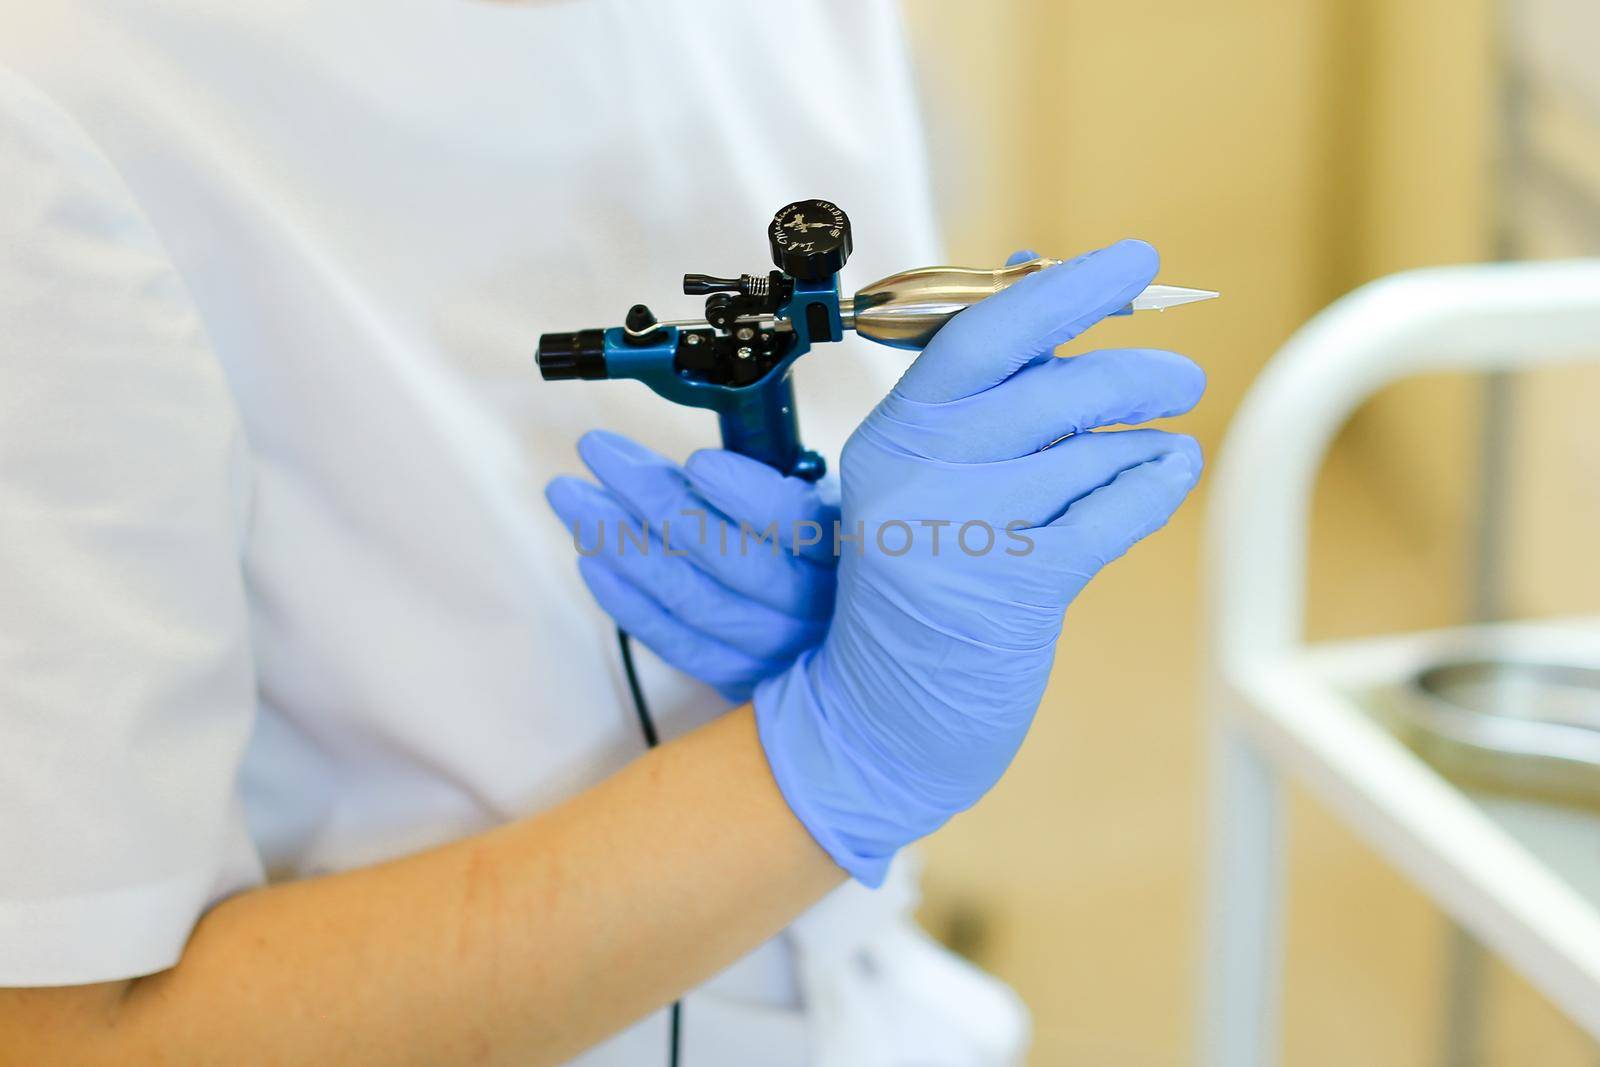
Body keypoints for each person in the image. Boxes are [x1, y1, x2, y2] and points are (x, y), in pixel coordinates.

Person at [0, 2, 1203, 1064]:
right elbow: (74, 1037)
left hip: (872, 994)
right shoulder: (60, 91)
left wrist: (843, 586)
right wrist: (832, 759)